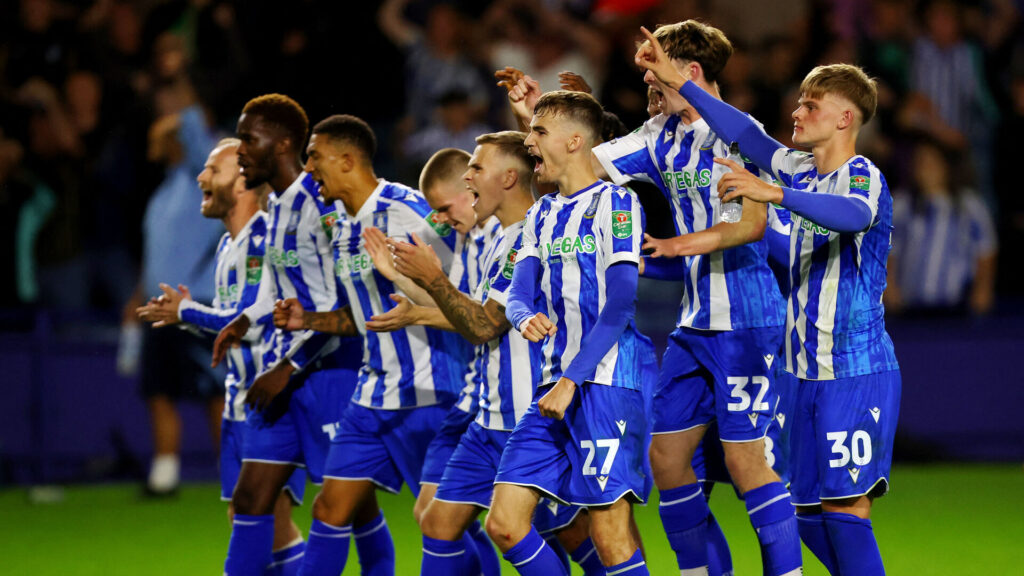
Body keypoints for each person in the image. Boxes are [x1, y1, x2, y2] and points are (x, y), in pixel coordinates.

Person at [639, 30, 902, 575]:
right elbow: (743, 133)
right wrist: (678, 84)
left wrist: (772, 195)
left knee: (845, 512)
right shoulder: (798, 170)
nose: (798, 110)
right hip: (799, 371)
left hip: (853, 371)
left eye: (812, 104)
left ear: (845, 119)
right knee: (806, 515)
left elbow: (852, 216)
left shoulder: (861, 175)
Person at [590, 21, 799, 576]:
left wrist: (671, 245)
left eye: (653, 70)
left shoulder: (739, 134)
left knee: (745, 460)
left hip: (749, 321)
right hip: (694, 324)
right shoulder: (659, 135)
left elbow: (749, 224)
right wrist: (543, 119)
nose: (646, 84)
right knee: (666, 458)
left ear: (692, 73)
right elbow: (581, 165)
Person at [369, 132, 604, 575]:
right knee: (439, 522)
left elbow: (483, 325)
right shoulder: (499, 237)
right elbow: (479, 317)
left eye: (476, 168)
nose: (467, 176)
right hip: (489, 416)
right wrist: (418, 307)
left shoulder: (530, 236)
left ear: (509, 179)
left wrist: (434, 281)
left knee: (560, 532)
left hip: (527, 417)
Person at [272, 114, 466, 575]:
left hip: (429, 391)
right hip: (372, 394)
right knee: (329, 510)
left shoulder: (406, 210)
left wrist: (401, 274)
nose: (308, 167)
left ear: (347, 159)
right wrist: (309, 319)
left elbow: (460, 296)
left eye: (314, 156)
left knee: (452, 524)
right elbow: (363, 318)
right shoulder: (340, 224)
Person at [482, 90, 652, 576]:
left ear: (575, 141)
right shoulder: (542, 213)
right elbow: (517, 294)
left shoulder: (617, 203)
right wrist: (521, 317)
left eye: (538, 131)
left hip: (604, 384)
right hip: (552, 388)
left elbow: (620, 304)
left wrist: (573, 379)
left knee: (610, 536)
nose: (528, 140)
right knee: (505, 524)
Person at [210, 95, 374, 576]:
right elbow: (280, 291)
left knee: (350, 508)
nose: (240, 150)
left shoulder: (320, 205)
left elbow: (340, 304)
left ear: (282, 143)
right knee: (251, 497)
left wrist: (289, 367)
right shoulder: (276, 207)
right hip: (287, 372)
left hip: (329, 372)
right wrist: (243, 322)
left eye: (247, 138)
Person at [135, 138, 307, 574]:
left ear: (245, 179)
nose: (201, 177)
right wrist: (187, 317)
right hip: (240, 401)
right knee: (256, 521)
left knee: (265, 519)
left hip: (271, 403)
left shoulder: (266, 240)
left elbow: (250, 316)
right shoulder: (228, 245)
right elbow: (233, 321)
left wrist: (188, 311)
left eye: (213, 169)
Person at [362, 146, 502, 576]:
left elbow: (480, 323)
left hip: (513, 402)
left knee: (542, 529)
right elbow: (458, 309)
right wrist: (398, 277)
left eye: (442, 207)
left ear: (470, 186)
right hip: (475, 399)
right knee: (433, 517)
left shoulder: (507, 237)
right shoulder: (470, 240)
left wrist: (418, 304)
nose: (438, 219)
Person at [134, 99, 226, 497]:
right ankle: (165, 476)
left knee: (216, 393)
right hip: (158, 306)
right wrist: (135, 295)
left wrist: (177, 109)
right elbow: (155, 253)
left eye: (170, 138)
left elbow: (197, 133)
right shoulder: (160, 194)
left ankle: (236, 474)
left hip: (197, 303)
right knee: (158, 391)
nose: (162, 144)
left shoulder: (200, 181)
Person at [886, 140, 997, 316]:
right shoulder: (901, 204)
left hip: (958, 307)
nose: (927, 169)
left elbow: (986, 250)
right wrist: (889, 287)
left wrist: (983, 290)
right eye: (921, 163)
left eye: (932, 162)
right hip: (910, 307)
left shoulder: (969, 204)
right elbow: (888, 250)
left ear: (946, 166)